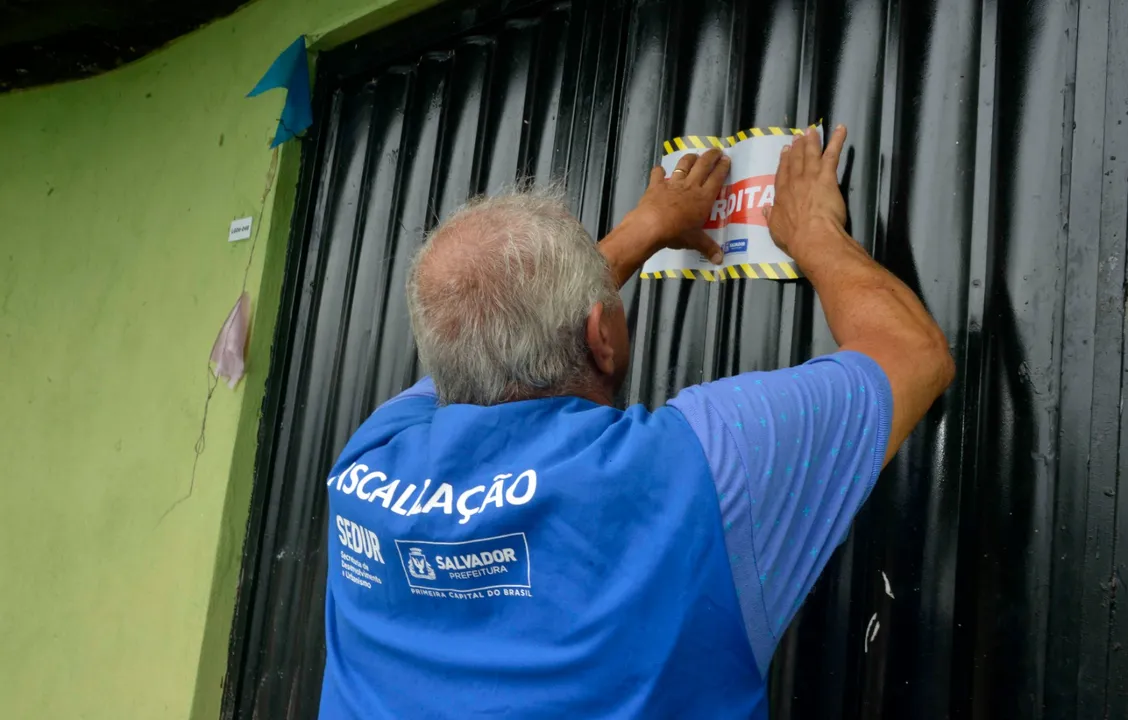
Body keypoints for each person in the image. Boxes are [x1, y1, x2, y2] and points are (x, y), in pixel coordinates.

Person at [318, 126, 954, 719]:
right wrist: (815, 232)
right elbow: (911, 355)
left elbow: (495, 332)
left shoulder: (367, 458)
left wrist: (645, 227)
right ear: (602, 336)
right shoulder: (693, 472)